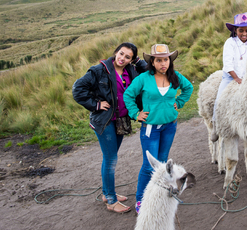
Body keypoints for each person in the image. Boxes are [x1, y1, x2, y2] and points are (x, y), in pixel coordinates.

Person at [72, 42, 148, 213]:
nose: (122, 58)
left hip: (120, 120)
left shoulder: (131, 71)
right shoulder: (99, 70)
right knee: (111, 159)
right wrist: (96, 105)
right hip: (105, 121)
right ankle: (111, 201)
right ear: (115, 52)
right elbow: (78, 89)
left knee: (110, 158)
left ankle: (107, 193)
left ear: (131, 60)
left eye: (128, 57)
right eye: (121, 54)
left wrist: (139, 62)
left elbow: (150, 72)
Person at [123, 44, 194, 214]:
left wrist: (179, 103)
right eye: (159, 60)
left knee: (162, 164)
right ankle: (140, 200)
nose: (163, 63)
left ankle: (159, 195)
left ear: (170, 61)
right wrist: (135, 113)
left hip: (170, 126)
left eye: (166, 60)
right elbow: (128, 94)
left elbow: (188, 88)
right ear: (152, 62)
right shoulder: (144, 78)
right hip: (151, 129)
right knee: (148, 166)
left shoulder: (175, 76)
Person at [211, 12, 247, 141]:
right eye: (241, 30)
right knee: (220, 99)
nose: (244, 33)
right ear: (235, 30)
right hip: (230, 77)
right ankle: (215, 125)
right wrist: (236, 78)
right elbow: (228, 63)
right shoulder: (230, 43)